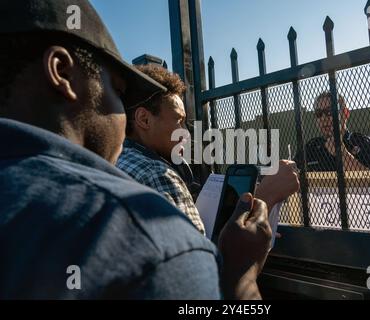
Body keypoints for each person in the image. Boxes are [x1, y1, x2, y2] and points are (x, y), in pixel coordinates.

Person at [0, 0, 271, 300]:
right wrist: (239, 273)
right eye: (117, 90)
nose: (123, 113)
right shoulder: (149, 237)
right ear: (62, 72)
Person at [118, 64, 300, 235]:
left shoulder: (116, 162)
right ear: (144, 119)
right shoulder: (155, 175)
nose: (186, 133)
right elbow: (203, 263)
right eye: (178, 120)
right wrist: (264, 199)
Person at [296, 92, 370, 172]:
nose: (323, 118)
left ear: (345, 113)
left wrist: (343, 155)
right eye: (318, 114)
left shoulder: (365, 144)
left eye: (329, 112)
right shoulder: (311, 148)